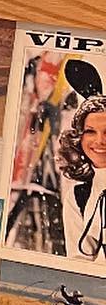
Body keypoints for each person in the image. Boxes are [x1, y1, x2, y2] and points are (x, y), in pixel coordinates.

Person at [57, 93, 106, 263]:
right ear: (79, 138)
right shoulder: (78, 197)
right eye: (90, 131)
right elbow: (79, 263)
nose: (100, 141)